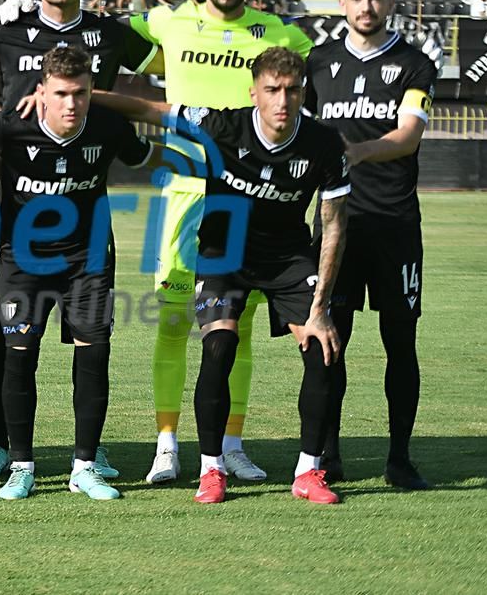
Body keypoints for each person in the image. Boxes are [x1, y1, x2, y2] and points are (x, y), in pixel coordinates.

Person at [92, 46, 351, 505]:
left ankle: (309, 471)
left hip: (287, 258)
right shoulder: (221, 125)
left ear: (303, 92)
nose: (282, 100)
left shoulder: (325, 143)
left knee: (322, 350)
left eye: (292, 90)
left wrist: (320, 308)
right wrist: (85, 95)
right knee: (220, 346)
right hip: (223, 254)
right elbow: (151, 110)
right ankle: (211, 469)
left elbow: (333, 226)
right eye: (272, 90)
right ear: (254, 93)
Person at [0, 0, 158, 481]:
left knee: (90, 336)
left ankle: (89, 449)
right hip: (17, 202)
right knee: (8, 331)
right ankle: (1, 442)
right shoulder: (11, 27)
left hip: (85, 194)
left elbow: (167, 62)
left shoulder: (110, 34)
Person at [126, 0, 313, 485]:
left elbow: (327, 61)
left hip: (243, 202)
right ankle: (166, 445)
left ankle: (231, 444)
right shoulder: (168, 22)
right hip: (183, 195)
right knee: (172, 322)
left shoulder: (279, 34)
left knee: (237, 329)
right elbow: (98, 34)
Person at [304, 0, 438, 490]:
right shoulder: (318, 63)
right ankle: (328, 455)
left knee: (400, 342)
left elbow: (408, 136)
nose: (366, 7)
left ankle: (400, 458)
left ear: (390, 2)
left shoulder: (414, 64)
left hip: (394, 225)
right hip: (336, 226)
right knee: (328, 340)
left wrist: (353, 153)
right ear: (342, 2)